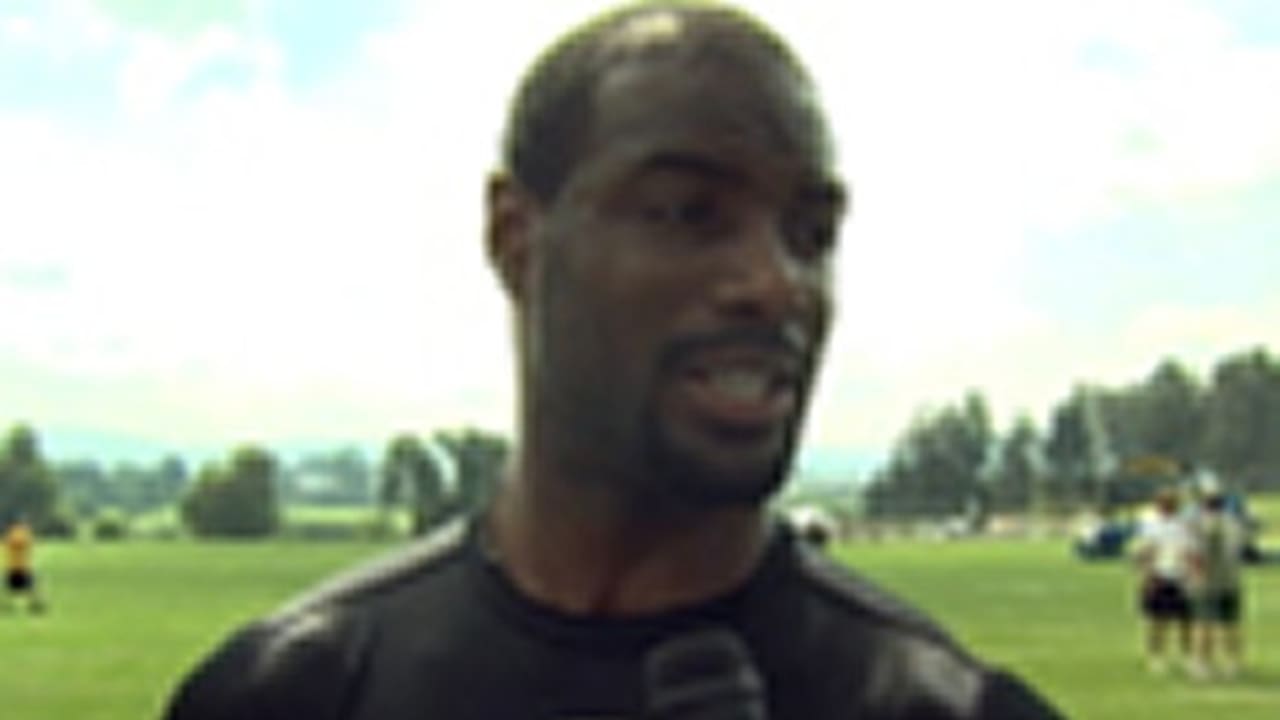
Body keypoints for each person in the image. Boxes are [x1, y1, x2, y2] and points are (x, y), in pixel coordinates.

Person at [164, 3, 1063, 718]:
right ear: (516, 238)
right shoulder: (292, 694)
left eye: (810, 234)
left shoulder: (937, 706)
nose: (774, 283)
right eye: (686, 213)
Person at [1131, 488, 1196, 676]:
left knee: (1186, 621)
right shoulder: (1149, 522)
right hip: (1158, 575)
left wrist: (1191, 574)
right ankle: (1156, 657)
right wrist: (1146, 575)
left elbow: (1189, 550)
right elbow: (1144, 551)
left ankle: (1188, 656)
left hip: (1181, 576)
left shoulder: (1184, 523)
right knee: (1156, 621)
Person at [1187, 490, 1250, 679]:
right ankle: (1232, 664)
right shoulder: (1234, 523)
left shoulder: (1200, 525)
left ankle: (1201, 664)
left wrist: (1194, 578)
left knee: (1203, 625)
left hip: (1207, 581)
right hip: (1231, 580)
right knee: (1231, 625)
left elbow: (1197, 554)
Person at [4, 516, 46, 614]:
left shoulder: (10, 534)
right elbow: (30, 544)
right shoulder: (25, 534)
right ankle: (36, 606)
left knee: (11, 590)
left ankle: (10, 607)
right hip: (23, 567)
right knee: (32, 589)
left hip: (13, 567)